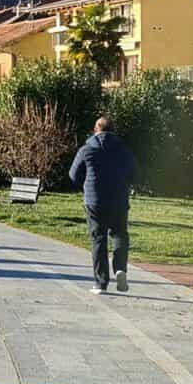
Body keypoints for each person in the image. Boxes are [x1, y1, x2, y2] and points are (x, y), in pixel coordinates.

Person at [67, 116, 137, 295]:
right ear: (113, 130)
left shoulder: (87, 150)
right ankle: (120, 268)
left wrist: (86, 186)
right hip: (119, 200)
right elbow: (135, 174)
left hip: (94, 201)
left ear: (95, 129)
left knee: (98, 238)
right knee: (120, 234)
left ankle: (101, 283)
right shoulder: (124, 150)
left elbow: (74, 175)